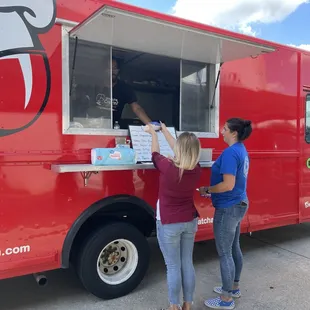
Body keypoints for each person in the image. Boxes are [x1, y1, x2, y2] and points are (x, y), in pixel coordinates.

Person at [144, 122, 201, 310]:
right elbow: (179, 150)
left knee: (173, 266)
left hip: (169, 222)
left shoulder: (167, 167)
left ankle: (173, 306)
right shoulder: (196, 168)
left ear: (179, 149)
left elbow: (154, 154)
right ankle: (188, 304)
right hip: (189, 220)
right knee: (187, 263)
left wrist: (153, 133)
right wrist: (166, 131)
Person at [199, 118, 252, 310]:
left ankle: (226, 299)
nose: (221, 131)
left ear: (233, 133)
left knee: (225, 252)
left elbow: (228, 184)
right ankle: (234, 287)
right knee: (234, 247)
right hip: (239, 203)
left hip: (228, 207)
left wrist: (208, 189)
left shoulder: (230, 153)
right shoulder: (241, 150)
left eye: (224, 129)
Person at [86, 57, 152, 128]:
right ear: (104, 70)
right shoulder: (95, 85)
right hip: (93, 127)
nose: (113, 71)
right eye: (109, 68)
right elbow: (84, 106)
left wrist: (152, 126)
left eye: (115, 68)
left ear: (118, 70)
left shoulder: (124, 88)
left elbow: (136, 108)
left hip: (114, 128)